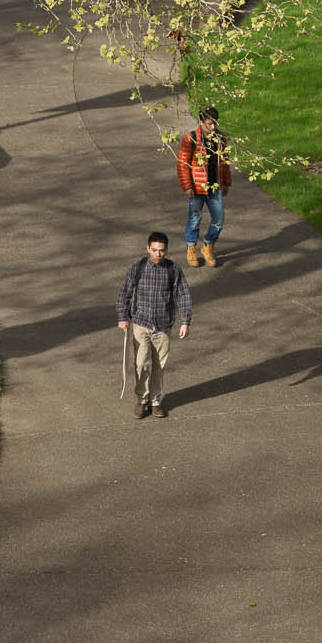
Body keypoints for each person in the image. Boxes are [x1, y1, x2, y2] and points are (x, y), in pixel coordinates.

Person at [116, 232, 191, 419]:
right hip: (140, 324)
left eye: (162, 250)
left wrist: (185, 321)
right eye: (155, 250)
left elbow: (183, 295)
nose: (158, 254)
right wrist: (122, 317)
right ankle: (142, 400)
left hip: (163, 326)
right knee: (141, 364)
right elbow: (124, 292)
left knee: (159, 365)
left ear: (167, 250)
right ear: (148, 248)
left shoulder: (173, 269)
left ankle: (156, 401)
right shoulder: (137, 268)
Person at [177, 106, 232, 267]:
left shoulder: (220, 138)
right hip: (197, 188)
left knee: (219, 219)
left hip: (214, 187)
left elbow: (225, 162)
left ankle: (208, 246)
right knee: (195, 219)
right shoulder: (191, 139)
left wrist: (226, 182)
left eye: (214, 123)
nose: (213, 127)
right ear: (201, 122)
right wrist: (187, 186)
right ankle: (191, 248)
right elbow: (182, 164)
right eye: (209, 123)